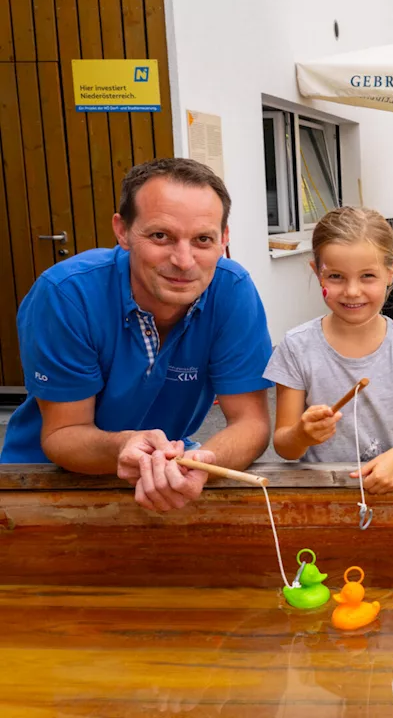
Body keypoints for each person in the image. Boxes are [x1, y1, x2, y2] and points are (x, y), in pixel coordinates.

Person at [0, 158, 273, 512]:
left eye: (203, 240)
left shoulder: (232, 290)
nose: (184, 260)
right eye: (161, 236)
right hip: (45, 482)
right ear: (122, 231)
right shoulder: (67, 294)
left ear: (224, 239)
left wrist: (204, 462)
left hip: (168, 480)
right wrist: (124, 447)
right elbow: (62, 435)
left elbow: (251, 423)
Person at [266, 207, 393, 494]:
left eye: (368, 276)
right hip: (320, 496)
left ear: (391, 272)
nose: (352, 291)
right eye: (336, 276)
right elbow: (285, 446)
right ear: (317, 273)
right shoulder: (296, 347)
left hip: (390, 489)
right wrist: (301, 434)